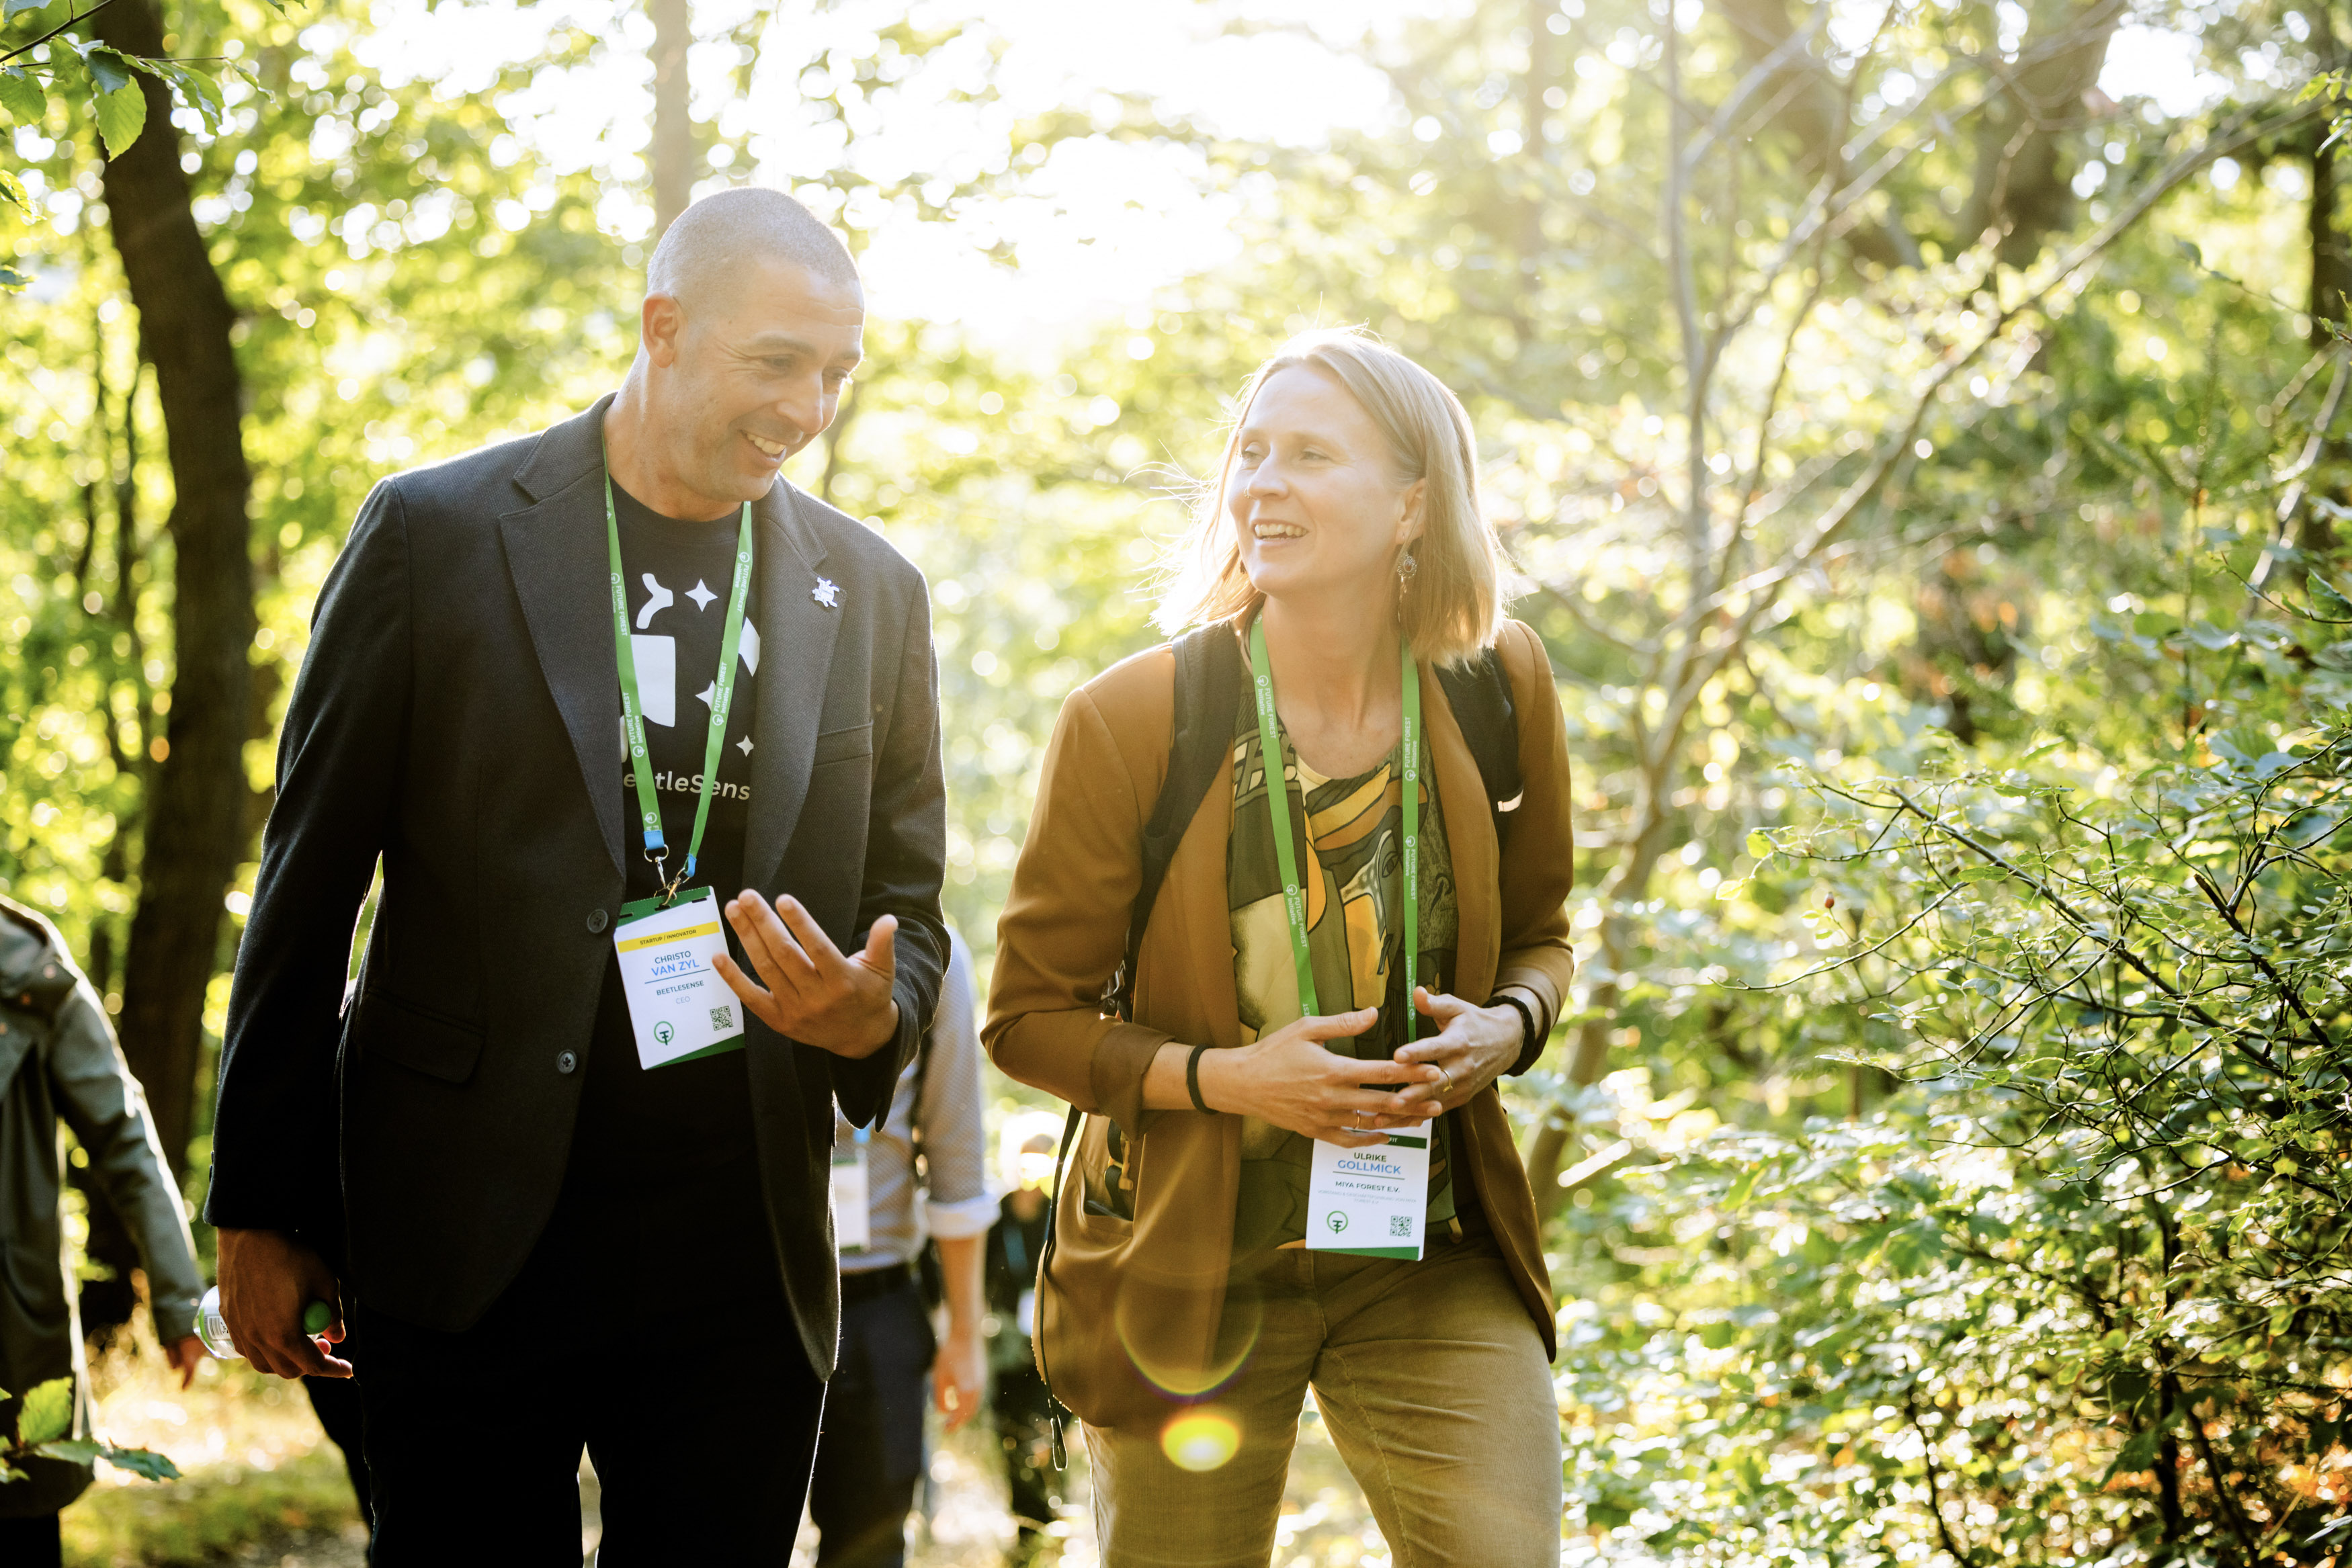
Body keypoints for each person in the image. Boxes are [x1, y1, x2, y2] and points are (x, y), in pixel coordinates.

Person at [204, 186, 949, 1564]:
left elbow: (911, 903)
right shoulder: (435, 533)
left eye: (836, 373)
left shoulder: (874, 593)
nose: (809, 408)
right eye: (775, 363)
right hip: (462, 1227)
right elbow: (309, 885)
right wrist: (259, 1202)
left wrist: (873, 1013)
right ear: (663, 328)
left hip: (740, 1248)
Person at [984, 327, 1577, 1567]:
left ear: (1415, 501)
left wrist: (1505, 1026)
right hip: (1194, 1265)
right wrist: (1229, 1077)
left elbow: (1540, 937)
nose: (1263, 483)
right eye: (1251, 452)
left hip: (1427, 1243)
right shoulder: (1136, 715)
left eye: (1311, 454)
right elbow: (1029, 1016)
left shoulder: (1497, 680)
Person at [0, 898, 205, 1568]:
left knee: (17, 1518)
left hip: (8, 1340)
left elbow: (125, 1138)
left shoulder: (29, 970)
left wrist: (179, 1301)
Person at [807, 925, 993, 1568]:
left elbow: (958, 1162)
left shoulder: (935, 951)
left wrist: (964, 1336)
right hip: (743, 1292)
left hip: (876, 1303)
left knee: (871, 1543)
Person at [983, 1120, 1063, 1561]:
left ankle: (1054, 1532)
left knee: (1050, 1441)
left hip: (1053, 1347)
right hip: (1008, 1352)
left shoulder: (1063, 1212)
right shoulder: (993, 1217)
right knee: (1012, 1439)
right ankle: (1026, 1538)